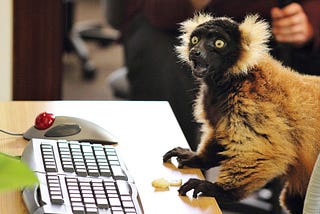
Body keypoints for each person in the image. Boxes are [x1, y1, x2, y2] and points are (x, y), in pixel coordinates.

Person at [119, 0, 320, 150]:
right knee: (158, 56)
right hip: (172, 25)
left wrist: (308, 27)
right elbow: (159, 14)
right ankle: (170, 176)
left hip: (266, 33)